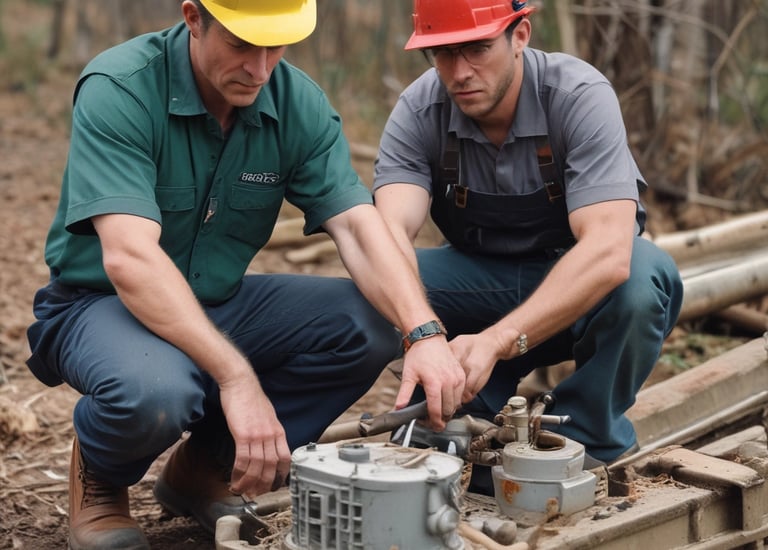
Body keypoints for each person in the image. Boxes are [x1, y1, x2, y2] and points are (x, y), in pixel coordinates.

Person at [25, 1, 466, 548]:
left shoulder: (294, 100)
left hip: (219, 301)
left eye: (275, 47)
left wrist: (422, 331)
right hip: (100, 304)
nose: (259, 68)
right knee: (155, 391)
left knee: (367, 325)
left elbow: (356, 226)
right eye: (240, 45)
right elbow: (129, 260)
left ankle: (206, 468)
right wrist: (238, 380)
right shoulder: (123, 86)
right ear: (193, 19)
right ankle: (101, 481)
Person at [374, 0, 684, 492]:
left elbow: (606, 249)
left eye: (477, 48)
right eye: (443, 53)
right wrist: (424, 334)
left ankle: (585, 437)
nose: (459, 72)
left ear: (520, 35)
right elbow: (386, 236)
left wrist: (499, 340)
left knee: (642, 281)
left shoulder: (577, 94)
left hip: (576, 288)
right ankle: (458, 412)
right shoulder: (420, 109)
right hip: (482, 283)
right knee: (377, 286)